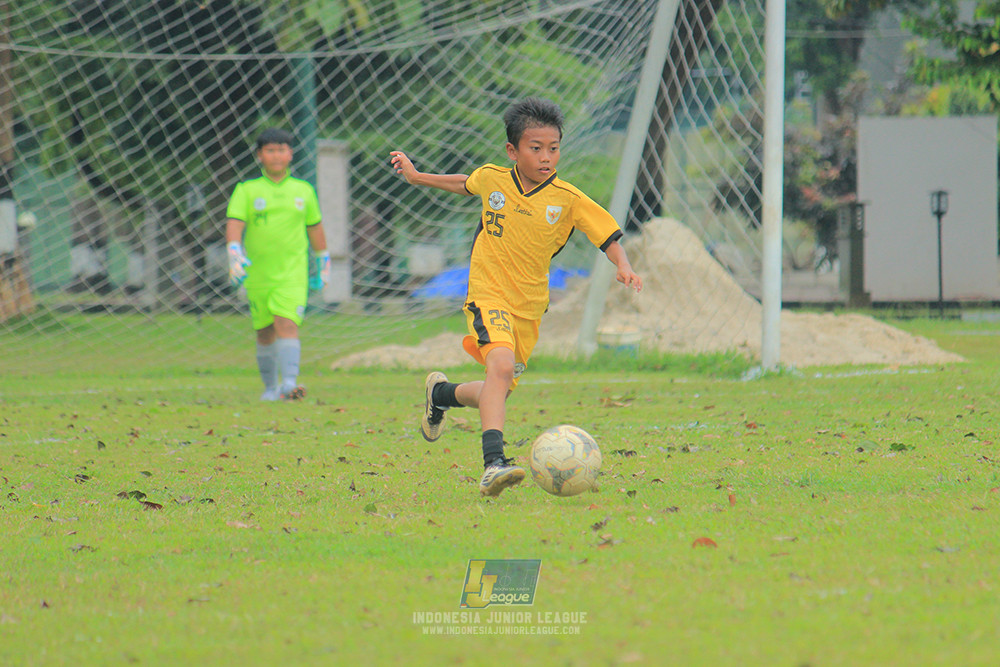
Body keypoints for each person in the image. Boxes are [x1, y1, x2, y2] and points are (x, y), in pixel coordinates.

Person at [389, 97, 643, 498]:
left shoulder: (567, 198)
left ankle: (440, 394)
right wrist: (417, 177)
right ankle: (494, 463)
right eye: (535, 148)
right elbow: (463, 183)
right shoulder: (493, 178)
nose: (546, 157)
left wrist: (623, 264)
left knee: (498, 386)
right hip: (487, 294)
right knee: (501, 368)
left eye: (553, 148)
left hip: (529, 308)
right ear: (513, 150)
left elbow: (606, 233)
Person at [225, 127, 330, 401]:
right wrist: (234, 251)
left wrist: (323, 261)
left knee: (287, 324)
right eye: (270, 150)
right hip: (258, 275)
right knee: (264, 331)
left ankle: (290, 384)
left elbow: (315, 228)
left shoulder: (303, 191)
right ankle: (271, 388)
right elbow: (235, 223)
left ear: (290, 154)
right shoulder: (247, 190)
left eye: (281, 149)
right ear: (260, 155)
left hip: (293, 274)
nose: (276, 155)